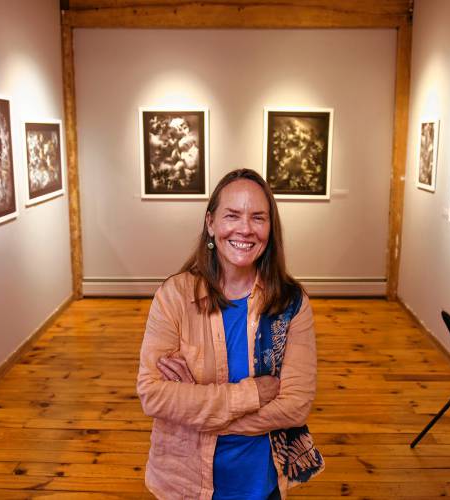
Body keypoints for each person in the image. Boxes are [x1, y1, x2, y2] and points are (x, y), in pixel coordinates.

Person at [137, 169, 323, 499]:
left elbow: (295, 407)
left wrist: (196, 408)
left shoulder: (291, 303)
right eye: (232, 215)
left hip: (260, 483)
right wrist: (249, 396)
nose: (245, 229)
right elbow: (153, 394)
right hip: (185, 482)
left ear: (270, 229)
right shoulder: (174, 296)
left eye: (258, 218)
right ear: (210, 223)